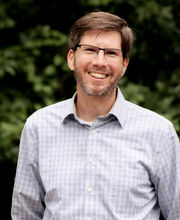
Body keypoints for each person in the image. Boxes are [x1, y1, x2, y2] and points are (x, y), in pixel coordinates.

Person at [11, 11, 180, 220]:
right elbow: (25, 214)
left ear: (124, 65)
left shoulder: (159, 132)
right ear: (72, 58)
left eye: (111, 53)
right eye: (90, 50)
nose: (100, 62)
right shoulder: (39, 127)